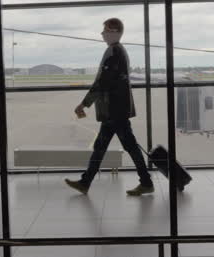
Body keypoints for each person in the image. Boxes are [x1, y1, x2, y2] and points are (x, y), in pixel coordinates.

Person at [65, 18, 154, 196]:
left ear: (114, 32)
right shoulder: (117, 51)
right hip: (115, 110)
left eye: (105, 30)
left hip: (114, 111)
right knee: (109, 146)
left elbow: (102, 83)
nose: (102, 33)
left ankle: (145, 182)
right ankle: (86, 182)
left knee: (124, 147)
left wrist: (84, 103)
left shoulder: (114, 52)